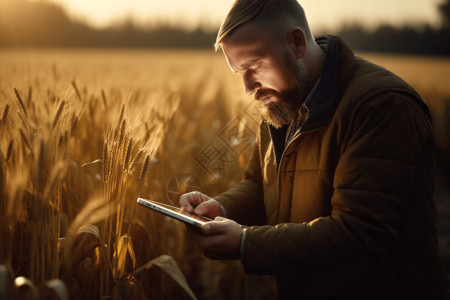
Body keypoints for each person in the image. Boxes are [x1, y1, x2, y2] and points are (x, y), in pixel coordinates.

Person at [179, 0, 445, 298]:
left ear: (296, 43)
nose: (248, 87)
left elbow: (359, 232)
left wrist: (244, 243)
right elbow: (262, 186)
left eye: (254, 66)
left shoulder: (382, 105)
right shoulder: (281, 101)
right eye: (239, 71)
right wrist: (220, 209)